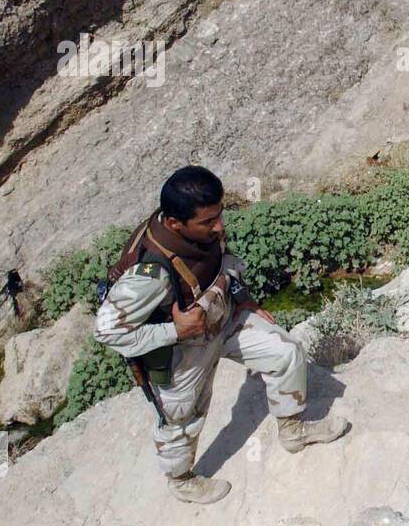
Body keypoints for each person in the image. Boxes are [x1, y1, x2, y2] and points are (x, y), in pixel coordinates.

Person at [94, 166, 350, 504]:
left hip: (223, 318)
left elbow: (222, 264)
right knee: (182, 418)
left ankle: (292, 430)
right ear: (174, 223)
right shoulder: (150, 274)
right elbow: (107, 331)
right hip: (183, 351)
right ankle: (182, 480)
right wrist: (175, 330)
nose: (219, 226)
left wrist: (244, 299)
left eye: (219, 215)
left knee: (285, 353)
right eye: (208, 222)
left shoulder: (200, 229)